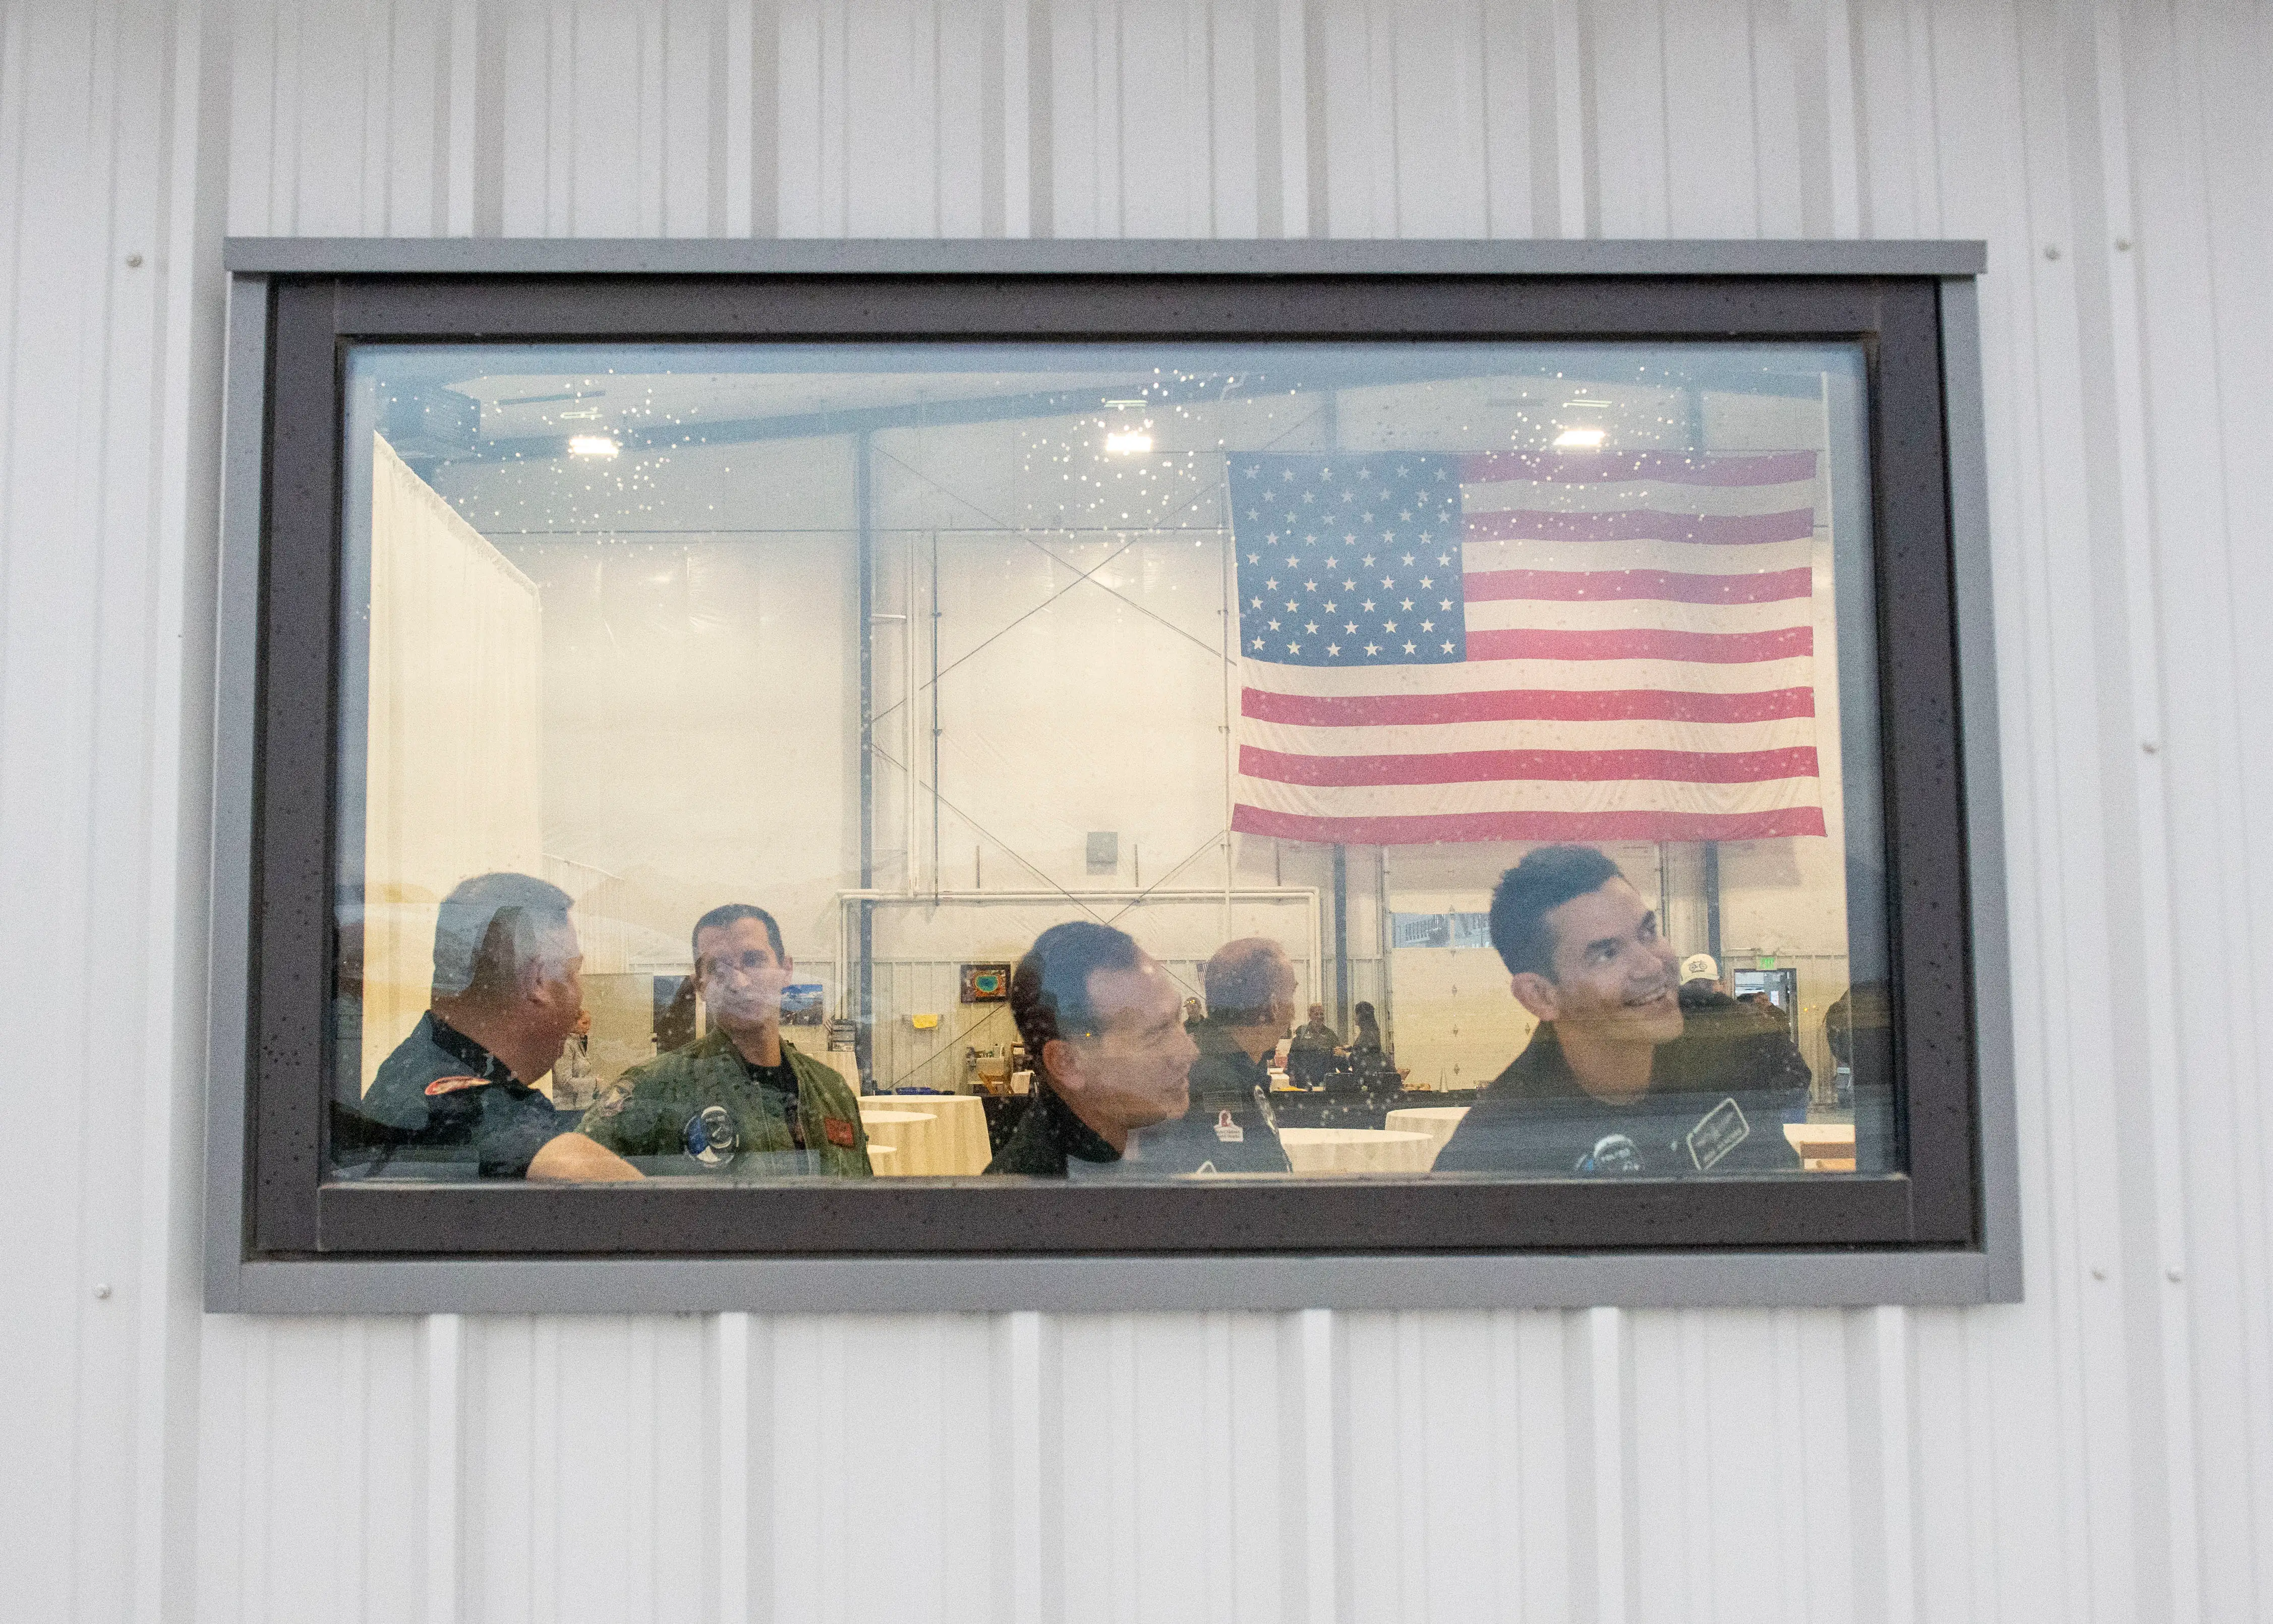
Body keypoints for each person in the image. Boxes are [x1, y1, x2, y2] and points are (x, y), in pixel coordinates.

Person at [1432, 847, 1801, 1175]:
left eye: (1647, 932)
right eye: (1606, 953)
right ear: (1541, 996)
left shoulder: (1724, 1037)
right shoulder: (1499, 1151)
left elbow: (1784, 1204)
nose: (1652, 967)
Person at [356, 873, 642, 1180]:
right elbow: (643, 1209)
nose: (580, 995)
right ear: (539, 980)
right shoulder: (474, 1107)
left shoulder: (414, 1065)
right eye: (573, 972)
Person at [577, 904, 872, 1175]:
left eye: (754, 961)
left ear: (786, 970)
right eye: (718, 967)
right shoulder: (657, 1090)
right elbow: (574, 1186)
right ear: (700, 984)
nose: (739, 982)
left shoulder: (832, 1093)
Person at [985, 921, 1198, 1176]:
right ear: (1068, 1063)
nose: (1189, 1052)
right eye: (1155, 1035)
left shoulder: (1160, 1142)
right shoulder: (1028, 1201)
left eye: (1179, 1019)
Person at [1132, 938, 1295, 1173]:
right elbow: (1248, 1193)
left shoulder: (1231, 1066)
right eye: (1290, 994)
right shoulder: (1217, 1080)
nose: (1293, 1012)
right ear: (1274, 1006)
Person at [1322, 999, 1402, 1123]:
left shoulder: (1369, 1032)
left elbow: (1366, 1055)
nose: (1354, 1018)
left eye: (1356, 1014)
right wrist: (1349, 1048)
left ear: (1361, 1016)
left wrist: (1346, 1055)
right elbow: (1364, 1048)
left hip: (1371, 1081)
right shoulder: (1371, 1030)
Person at [550, 1007, 601, 1112]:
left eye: (589, 1023)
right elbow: (565, 1082)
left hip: (580, 1107)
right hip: (566, 1110)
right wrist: (594, 1083)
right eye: (585, 1023)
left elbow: (580, 1074)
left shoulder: (578, 1042)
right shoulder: (564, 1045)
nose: (589, 1027)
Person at [1286, 1002, 1341, 1091]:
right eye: (1316, 1014)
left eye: (1322, 1014)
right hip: (1305, 1078)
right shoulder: (1302, 1032)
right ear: (1310, 1015)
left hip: (1325, 1078)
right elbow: (1293, 1055)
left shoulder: (1330, 1034)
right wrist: (1292, 1075)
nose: (1319, 1017)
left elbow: (1338, 1056)